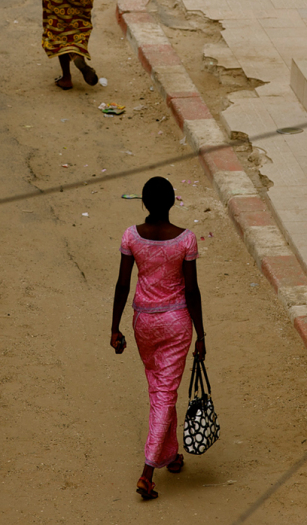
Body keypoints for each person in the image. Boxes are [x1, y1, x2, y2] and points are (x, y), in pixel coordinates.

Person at [109, 176, 205, 501]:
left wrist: (114, 327)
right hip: (177, 323)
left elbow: (123, 284)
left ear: (144, 204)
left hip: (142, 323)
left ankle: (171, 456)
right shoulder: (186, 240)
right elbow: (191, 290)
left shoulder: (131, 237)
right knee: (165, 391)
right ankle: (147, 473)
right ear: (172, 202)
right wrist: (201, 334)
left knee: (160, 387)